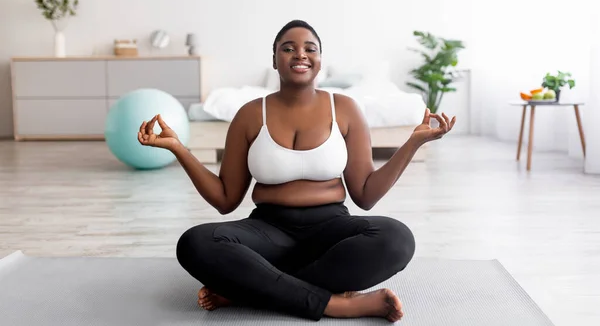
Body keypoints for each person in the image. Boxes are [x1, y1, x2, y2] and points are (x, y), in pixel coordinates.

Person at [137, 20, 456, 322]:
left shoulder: (345, 109)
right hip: (267, 233)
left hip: (330, 233)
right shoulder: (250, 115)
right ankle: (335, 304)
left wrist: (412, 144)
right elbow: (225, 199)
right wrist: (179, 149)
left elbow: (366, 195)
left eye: (310, 48)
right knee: (195, 243)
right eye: (288, 48)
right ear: (274, 60)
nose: (300, 54)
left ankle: (248, 292)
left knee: (397, 239)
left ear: (320, 60)